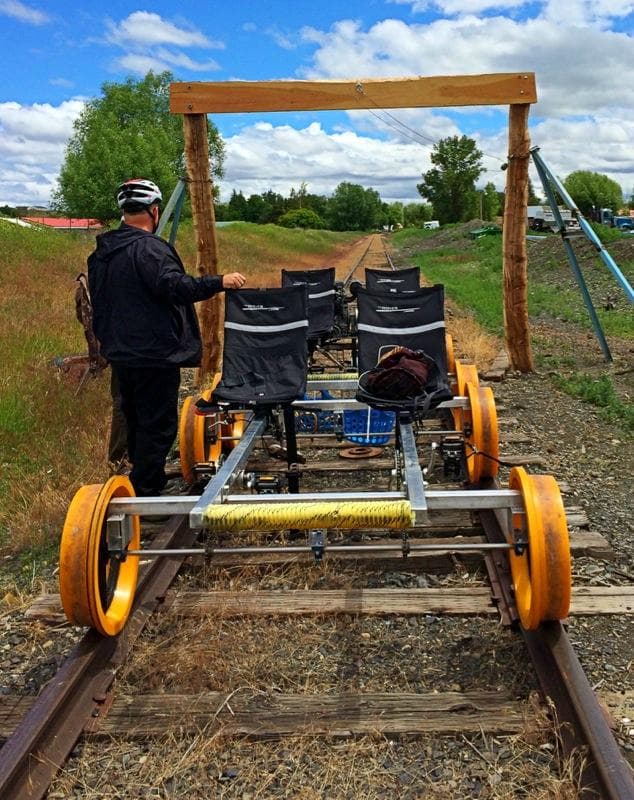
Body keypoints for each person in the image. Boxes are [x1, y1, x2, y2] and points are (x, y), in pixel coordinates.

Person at [87, 178, 246, 496]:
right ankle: (147, 489)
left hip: (120, 351)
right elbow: (175, 287)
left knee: (133, 417)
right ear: (154, 211)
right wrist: (220, 281)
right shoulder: (149, 249)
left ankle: (138, 479)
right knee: (157, 423)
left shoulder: (102, 252)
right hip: (152, 353)